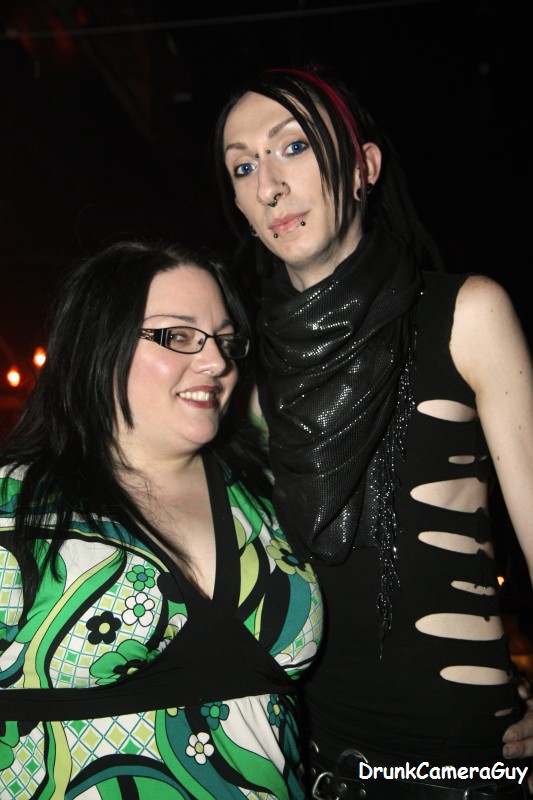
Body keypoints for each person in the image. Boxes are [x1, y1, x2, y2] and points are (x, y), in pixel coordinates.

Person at [214, 65, 533, 798]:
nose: (268, 185)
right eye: (243, 166)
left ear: (363, 167)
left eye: (292, 146)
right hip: (304, 763)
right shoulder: (242, 370)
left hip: (459, 763)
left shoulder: (465, 314)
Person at [0, 240, 323, 799]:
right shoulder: (15, 506)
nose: (217, 362)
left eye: (226, 340)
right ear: (99, 343)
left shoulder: (268, 494)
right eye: (178, 336)